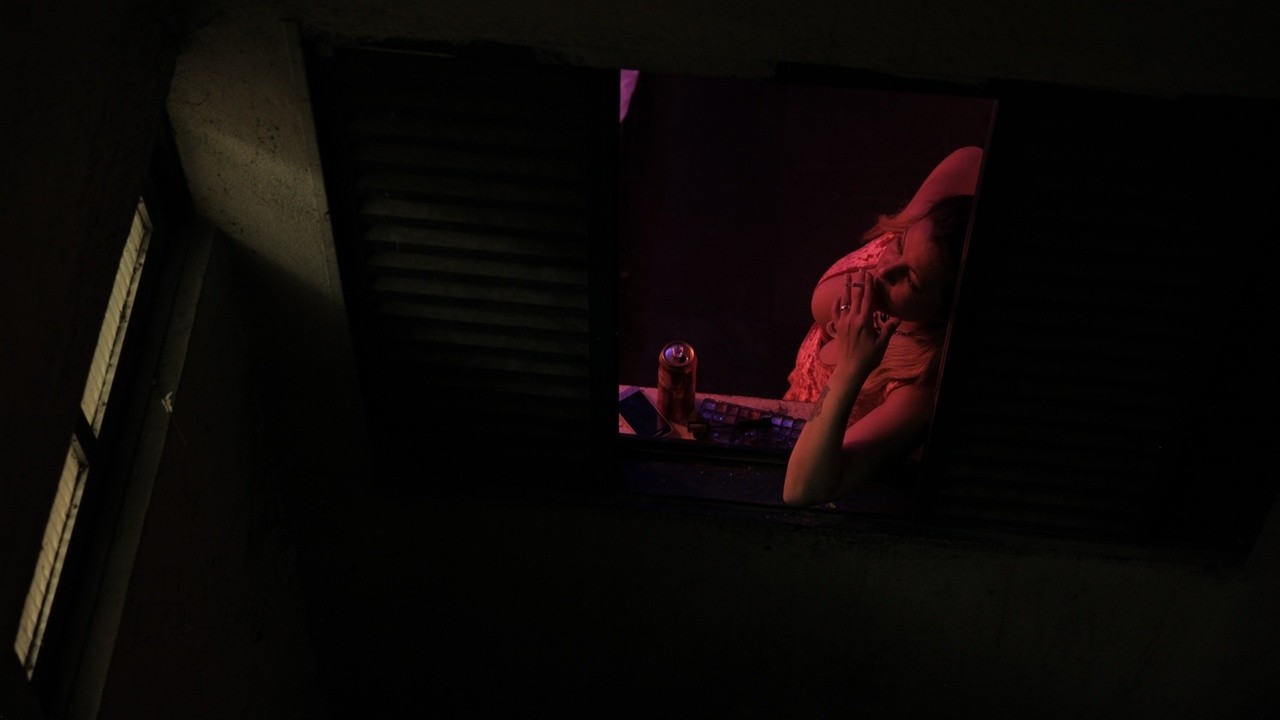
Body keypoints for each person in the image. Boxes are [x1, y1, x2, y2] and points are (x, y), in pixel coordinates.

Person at [782, 146, 982, 507]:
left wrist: (851, 368)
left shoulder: (915, 389)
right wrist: (908, 232)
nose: (885, 269)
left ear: (947, 311)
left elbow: (801, 491)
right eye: (899, 244)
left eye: (912, 280)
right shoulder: (923, 243)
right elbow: (971, 158)